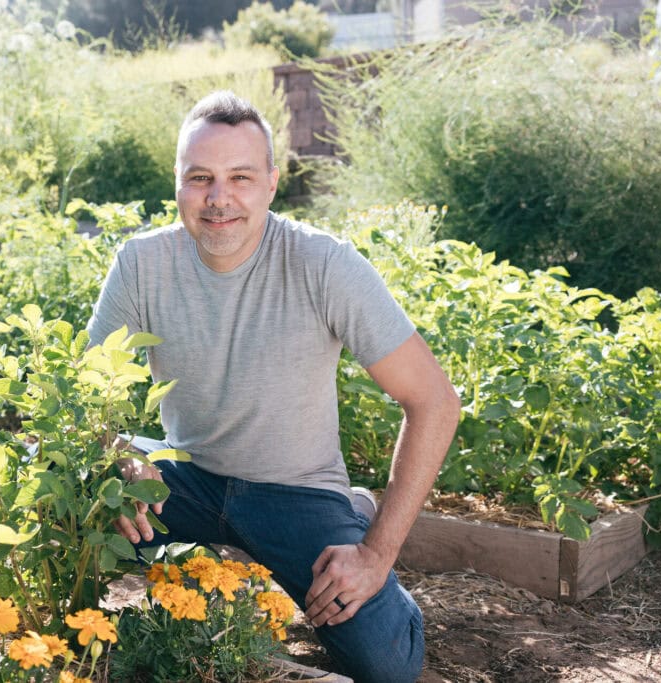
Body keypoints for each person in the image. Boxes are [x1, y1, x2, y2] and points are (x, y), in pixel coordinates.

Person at [85, 90, 461, 682]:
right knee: (56, 493)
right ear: (178, 183)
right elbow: (86, 402)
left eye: (240, 176)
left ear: (270, 183)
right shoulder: (141, 263)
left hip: (296, 494)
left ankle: (356, 516)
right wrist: (122, 461)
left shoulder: (323, 264)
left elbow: (434, 401)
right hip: (183, 481)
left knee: (386, 665)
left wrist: (376, 554)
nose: (218, 198)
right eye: (200, 177)